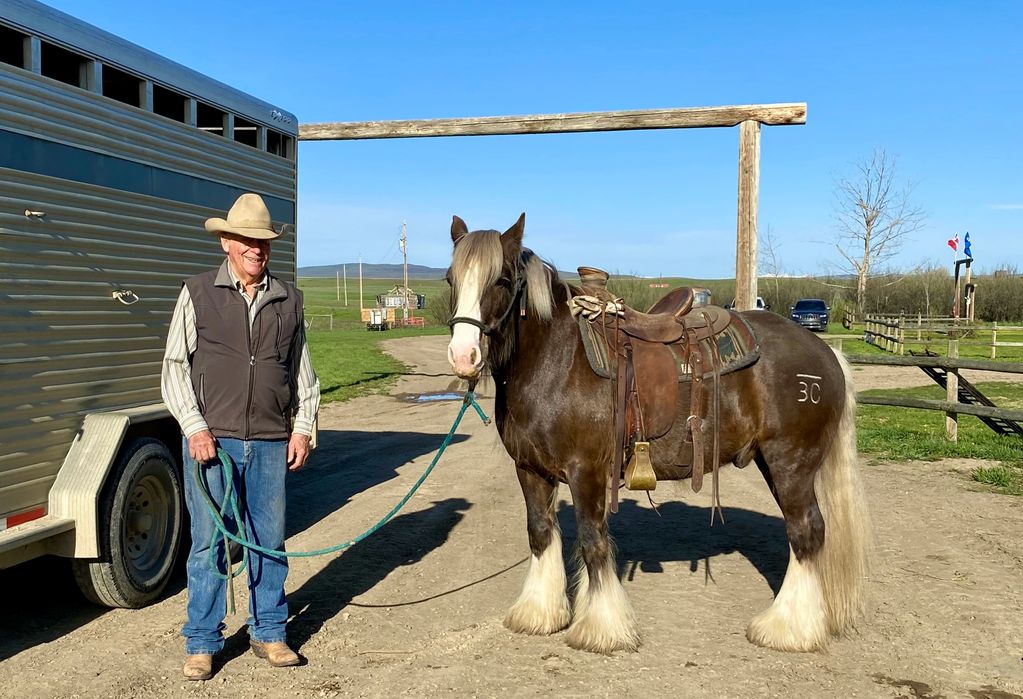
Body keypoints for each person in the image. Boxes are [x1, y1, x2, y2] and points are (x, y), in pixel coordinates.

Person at [161, 193, 320, 681]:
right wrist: (194, 426)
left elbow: (303, 372)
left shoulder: (288, 299)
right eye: (248, 240)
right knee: (209, 544)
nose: (257, 249)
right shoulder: (197, 292)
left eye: (264, 242)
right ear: (227, 241)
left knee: (268, 542)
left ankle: (270, 632)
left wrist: (303, 428)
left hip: (272, 440)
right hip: (215, 443)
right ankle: (203, 641)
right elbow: (173, 367)